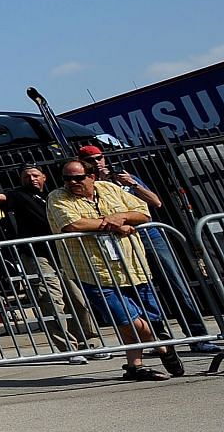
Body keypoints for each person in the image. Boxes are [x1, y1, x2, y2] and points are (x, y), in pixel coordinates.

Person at [46, 159, 181, 380]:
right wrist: (115, 225)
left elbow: (143, 212)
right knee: (126, 318)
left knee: (144, 317)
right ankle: (164, 347)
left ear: (91, 176)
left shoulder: (109, 188)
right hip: (94, 271)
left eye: (78, 178)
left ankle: (135, 365)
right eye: (67, 178)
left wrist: (122, 216)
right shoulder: (58, 197)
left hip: (132, 266)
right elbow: (73, 224)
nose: (72, 182)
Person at [77, 145, 216, 349]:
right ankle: (158, 338)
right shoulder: (87, 186)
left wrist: (133, 184)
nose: (96, 162)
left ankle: (198, 336)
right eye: (90, 160)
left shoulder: (123, 177)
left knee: (175, 283)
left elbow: (156, 203)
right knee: (140, 290)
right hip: (121, 242)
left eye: (99, 158)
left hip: (148, 236)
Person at [0, 165, 98, 359]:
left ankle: (89, 342)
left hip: (64, 251)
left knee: (78, 298)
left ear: (44, 176)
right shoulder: (19, 195)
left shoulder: (58, 194)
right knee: (51, 299)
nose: (31, 178)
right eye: (26, 176)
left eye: (35, 175)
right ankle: (69, 348)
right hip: (36, 253)